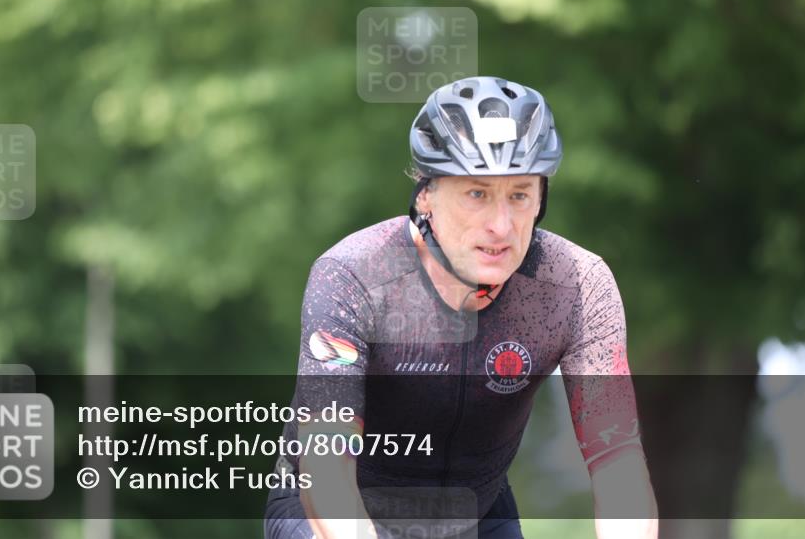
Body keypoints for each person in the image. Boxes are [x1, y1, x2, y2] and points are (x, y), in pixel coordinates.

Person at [264, 76, 657, 539]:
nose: (500, 225)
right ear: (425, 194)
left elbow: (618, 465)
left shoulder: (576, 285)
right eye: (477, 193)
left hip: (477, 509)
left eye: (519, 194)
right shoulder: (354, 276)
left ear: (541, 199)